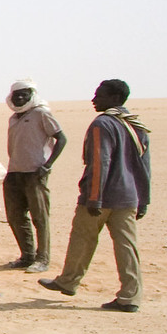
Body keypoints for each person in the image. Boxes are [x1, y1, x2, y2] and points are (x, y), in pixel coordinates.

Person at [41, 79, 151, 312]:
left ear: (113, 98)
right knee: (127, 247)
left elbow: (101, 161)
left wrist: (94, 197)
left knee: (82, 238)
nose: (94, 99)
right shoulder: (137, 125)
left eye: (99, 95)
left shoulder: (103, 124)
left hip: (103, 196)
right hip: (129, 197)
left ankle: (69, 280)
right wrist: (144, 199)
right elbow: (145, 167)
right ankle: (130, 297)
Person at [3, 79, 68, 273]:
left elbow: (61, 138)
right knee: (15, 216)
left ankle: (42, 259)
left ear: (32, 94)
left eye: (25, 94)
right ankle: (27, 256)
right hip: (14, 172)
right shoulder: (14, 118)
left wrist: (47, 166)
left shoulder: (41, 113)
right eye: (17, 94)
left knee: (40, 218)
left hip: (35, 173)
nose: (21, 97)